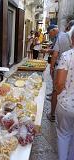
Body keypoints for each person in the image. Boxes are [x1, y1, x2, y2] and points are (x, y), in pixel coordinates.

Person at [55, 26, 74, 160]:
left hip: (67, 105)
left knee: (63, 135)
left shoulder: (67, 56)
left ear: (72, 39)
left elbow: (60, 83)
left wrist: (57, 91)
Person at [46, 24, 71, 122]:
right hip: (70, 68)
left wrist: (51, 67)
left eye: (49, 33)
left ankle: (52, 115)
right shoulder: (65, 36)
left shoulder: (60, 37)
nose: (50, 35)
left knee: (56, 90)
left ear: (53, 30)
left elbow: (55, 54)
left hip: (61, 67)